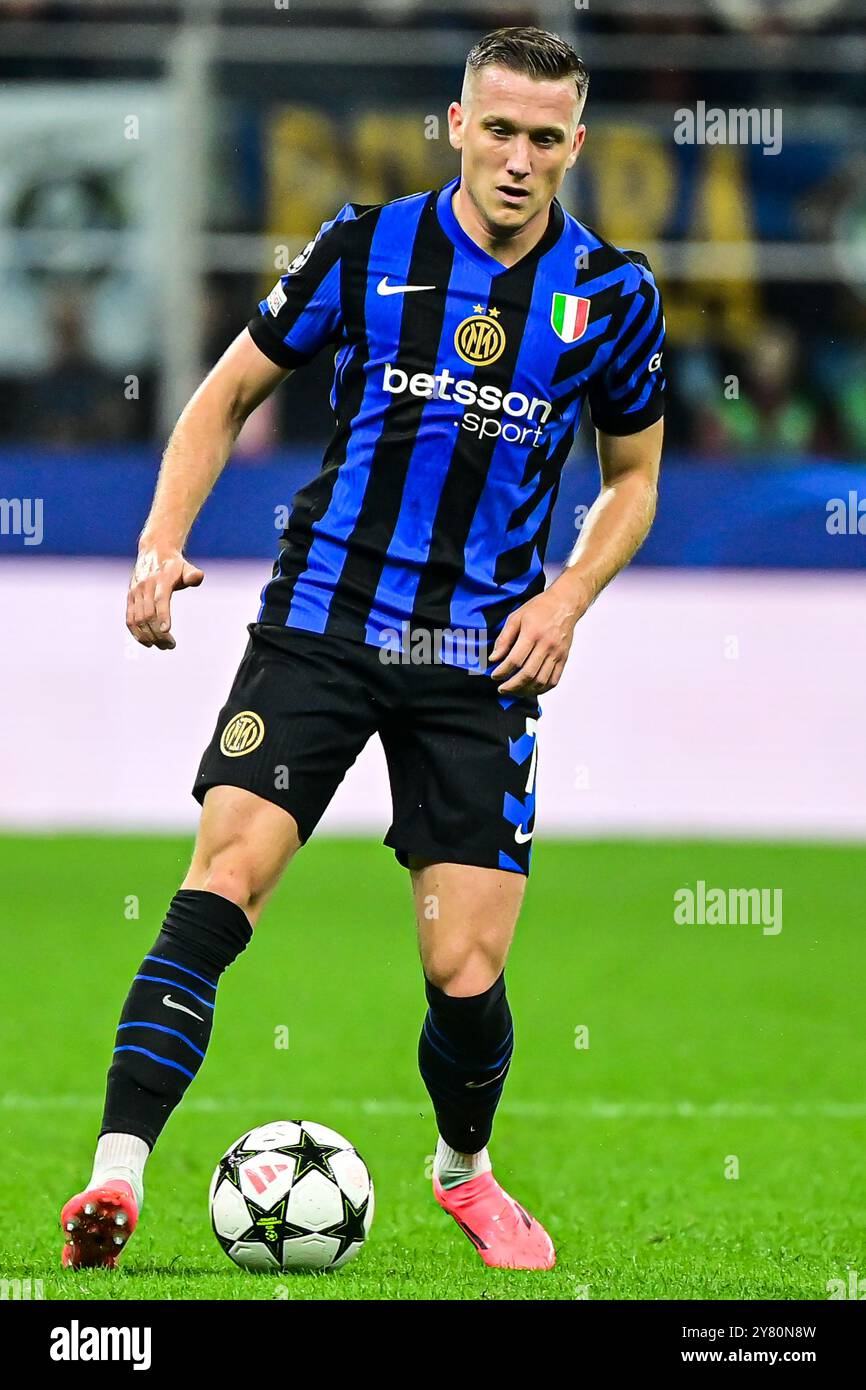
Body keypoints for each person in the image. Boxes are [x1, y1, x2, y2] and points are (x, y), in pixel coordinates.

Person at [61, 25, 664, 1273]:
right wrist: (159, 540)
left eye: (542, 138)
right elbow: (225, 392)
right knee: (220, 883)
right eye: (496, 129)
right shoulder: (362, 247)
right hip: (324, 622)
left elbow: (634, 476)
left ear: (575, 147)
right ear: (455, 124)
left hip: (476, 656)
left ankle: (462, 1167)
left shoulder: (612, 295)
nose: (515, 158)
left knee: (464, 963)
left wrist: (565, 599)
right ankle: (112, 1179)